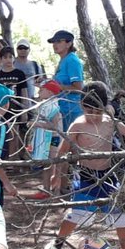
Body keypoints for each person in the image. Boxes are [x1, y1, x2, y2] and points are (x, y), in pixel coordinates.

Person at [42, 81, 125, 249]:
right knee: (77, 213)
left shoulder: (110, 122)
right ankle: (57, 245)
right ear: (81, 106)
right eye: (88, 110)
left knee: (121, 217)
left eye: (97, 111)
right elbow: (62, 152)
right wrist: (56, 176)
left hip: (108, 176)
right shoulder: (78, 125)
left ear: (103, 107)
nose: (93, 115)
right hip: (86, 177)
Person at [48, 30, 84, 195]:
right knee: (63, 150)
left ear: (69, 43)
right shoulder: (63, 61)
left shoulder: (72, 61)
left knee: (72, 150)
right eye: (53, 42)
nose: (55, 45)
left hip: (72, 110)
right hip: (62, 110)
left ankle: (78, 186)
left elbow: (78, 88)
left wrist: (56, 87)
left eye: (59, 41)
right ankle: (63, 187)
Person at [25, 80, 64, 199]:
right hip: (45, 138)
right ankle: (46, 189)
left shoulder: (53, 107)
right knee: (46, 164)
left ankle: (55, 190)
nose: (39, 92)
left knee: (53, 164)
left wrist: (36, 124)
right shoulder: (44, 105)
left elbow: (54, 126)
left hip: (53, 138)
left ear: (50, 92)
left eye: (42, 90)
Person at [0, 47, 28, 157]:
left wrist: (25, 110)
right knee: (2, 134)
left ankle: (13, 159)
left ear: (14, 58)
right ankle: (2, 158)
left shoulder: (19, 74)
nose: (8, 60)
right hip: (1, 109)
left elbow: (24, 92)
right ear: (1, 59)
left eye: (10, 57)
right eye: (5, 57)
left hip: (15, 109)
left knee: (14, 135)